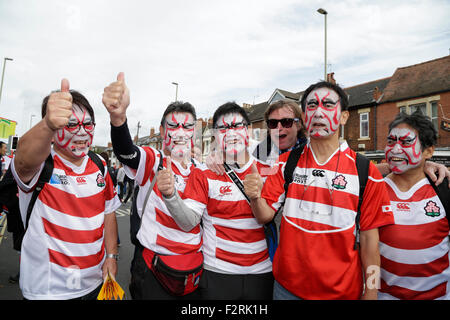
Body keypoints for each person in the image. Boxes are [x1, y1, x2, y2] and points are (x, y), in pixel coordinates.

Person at [246, 81, 396, 300]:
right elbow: (263, 216)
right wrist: (255, 197)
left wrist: (371, 292)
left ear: (344, 116)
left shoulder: (366, 171)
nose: (318, 112)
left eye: (327, 104)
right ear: (305, 117)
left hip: (341, 293)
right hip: (286, 290)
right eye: (312, 105)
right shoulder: (284, 163)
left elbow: (370, 245)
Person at [11, 79, 120, 300]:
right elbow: (22, 160)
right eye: (70, 124)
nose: (81, 132)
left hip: (95, 285)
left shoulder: (100, 164)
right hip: (48, 292)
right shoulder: (40, 165)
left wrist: (112, 256)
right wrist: (47, 124)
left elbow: (108, 213)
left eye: (88, 124)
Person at [102, 72, 203, 300]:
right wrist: (119, 120)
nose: (179, 132)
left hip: (193, 267)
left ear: (194, 131)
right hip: (152, 268)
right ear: (162, 130)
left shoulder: (201, 168)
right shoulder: (153, 159)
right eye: (172, 125)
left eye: (187, 127)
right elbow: (127, 152)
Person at [158, 102, 274, 300]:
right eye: (223, 128)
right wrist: (170, 196)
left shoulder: (270, 168)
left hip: (261, 272)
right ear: (215, 136)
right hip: (217, 272)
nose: (230, 133)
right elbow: (188, 222)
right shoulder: (203, 172)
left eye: (237, 126)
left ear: (248, 130)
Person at [379, 111, 450, 300]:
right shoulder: (373, 189)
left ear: (429, 151)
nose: (395, 149)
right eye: (391, 141)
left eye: (405, 142)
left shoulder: (444, 189)